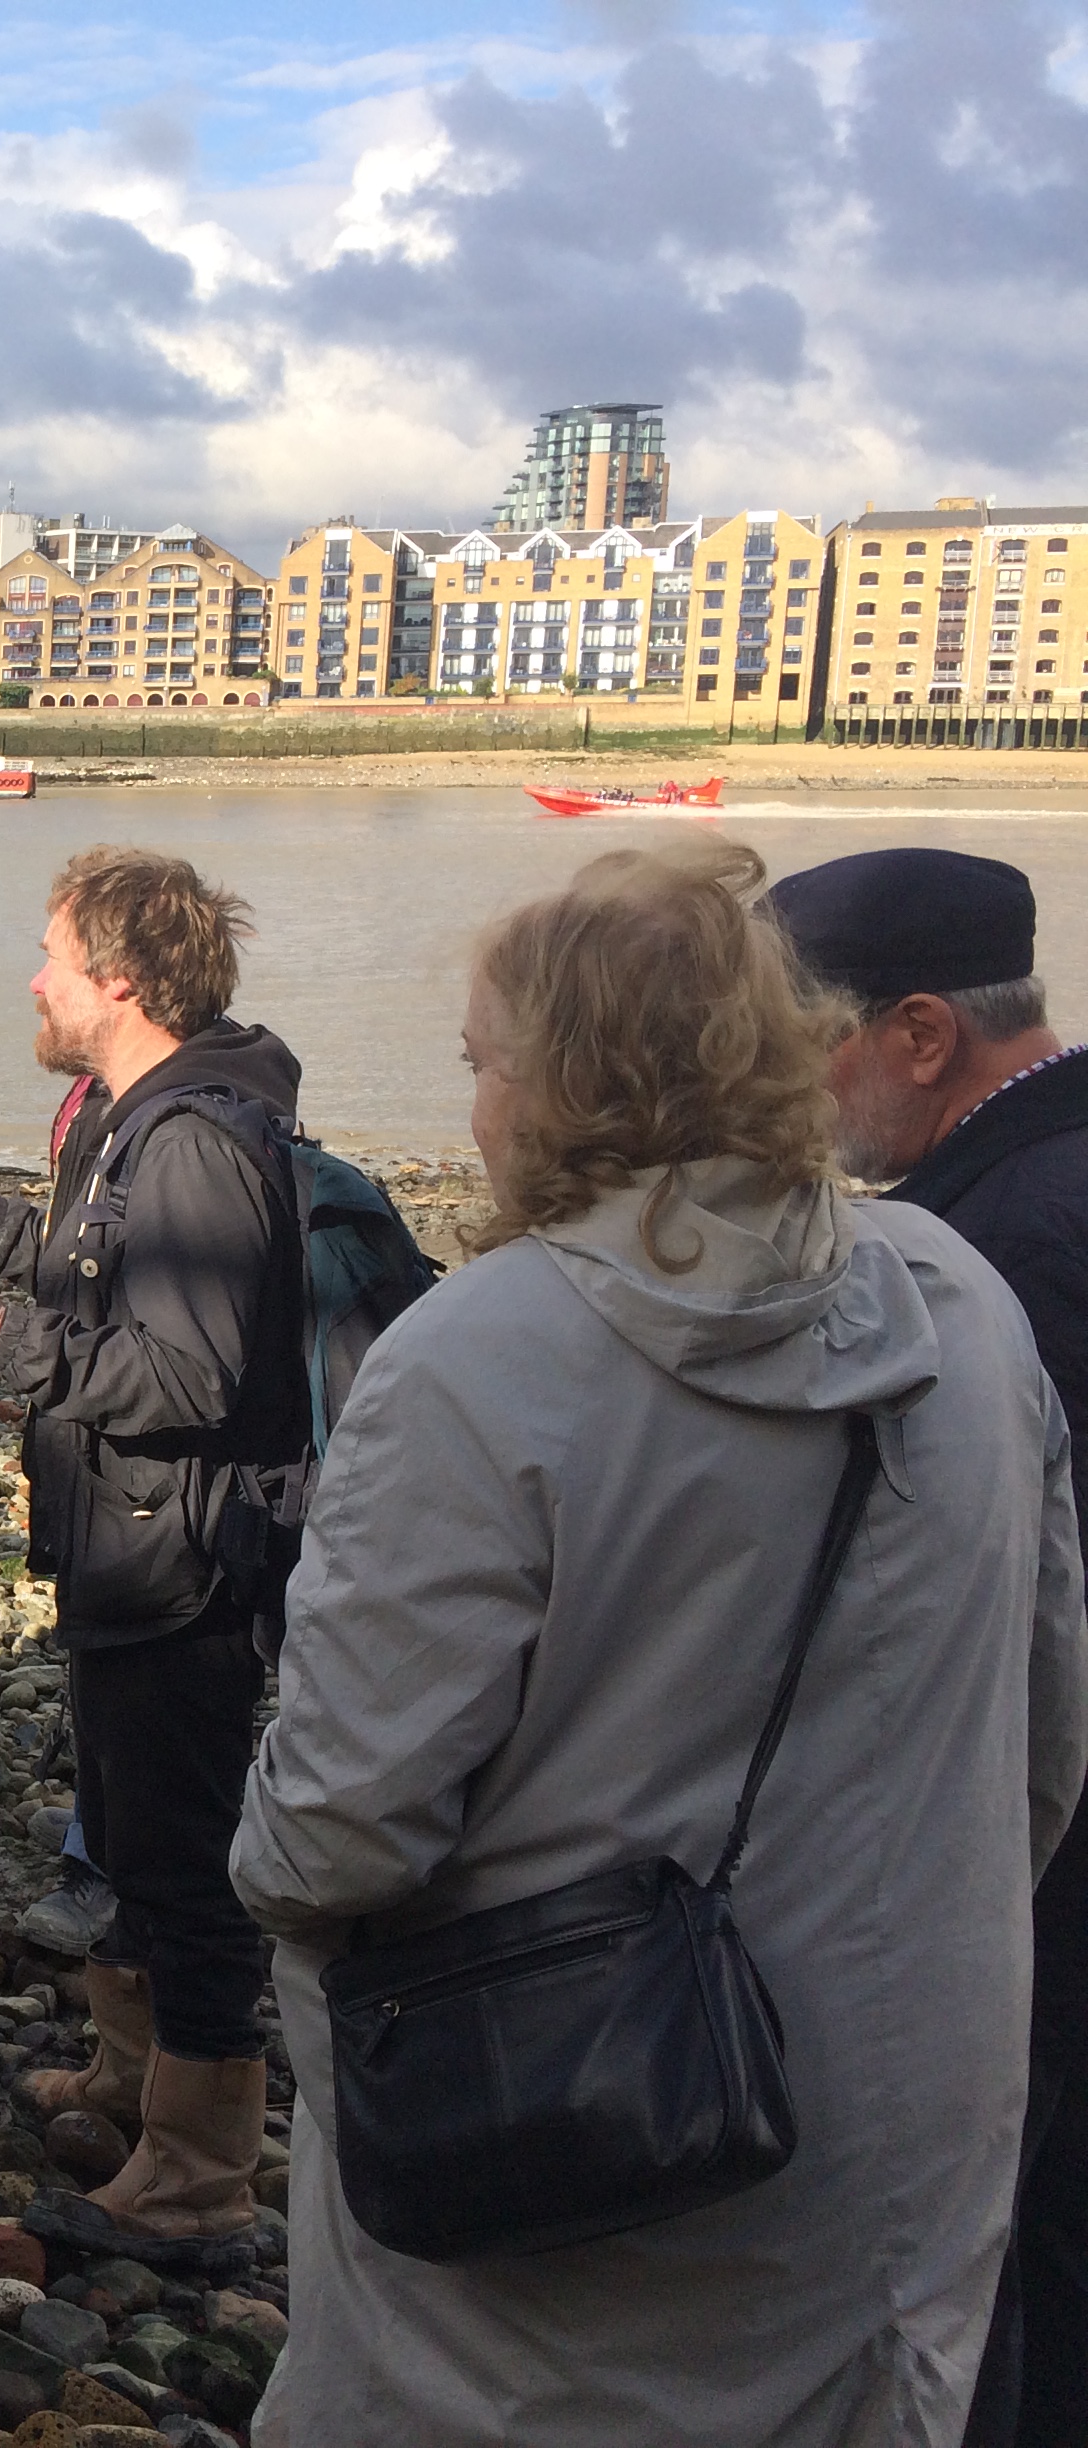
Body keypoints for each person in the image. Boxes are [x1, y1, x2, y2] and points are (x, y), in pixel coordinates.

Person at [233, 839, 1087, 2446]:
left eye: (485, 1066)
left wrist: (260, 1871)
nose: (475, 1109)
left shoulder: (477, 1357)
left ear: (568, 1086)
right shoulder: (966, 1307)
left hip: (565, 2134)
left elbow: (340, 1834)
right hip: (906, 2126)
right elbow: (1044, 1740)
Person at [0, 844, 303, 2246]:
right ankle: (126, 2076)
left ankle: (201, 2171)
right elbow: (119, 1284)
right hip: (129, 1549)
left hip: (187, 1563)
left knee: (182, 1859)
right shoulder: (129, 1113)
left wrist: (6, 1338)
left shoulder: (193, 1139)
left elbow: (194, 1377)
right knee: (121, 1832)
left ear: (116, 980)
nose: (33, 979)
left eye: (51, 955)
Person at [765, 847, 1088, 2448]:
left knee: (1023, 2267)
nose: (777, 1094)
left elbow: (1018, 1608)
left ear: (913, 1037)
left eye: (792, 1044)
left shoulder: (1009, 1248)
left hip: (1046, 1867)